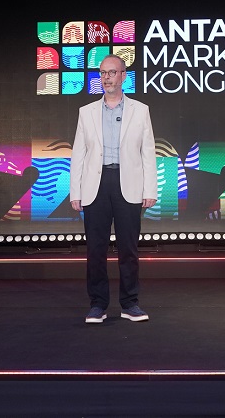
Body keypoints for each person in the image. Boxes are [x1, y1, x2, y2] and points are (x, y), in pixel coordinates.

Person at [70, 54, 157, 324]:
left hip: (128, 182)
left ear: (123, 76)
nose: (106, 78)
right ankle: (98, 305)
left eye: (112, 72)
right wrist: (76, 192)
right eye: (103, 73)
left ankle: (130, 304)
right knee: (95, 249)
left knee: (128, 248)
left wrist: (150, 189)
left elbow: (148, 152)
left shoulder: (140, 110)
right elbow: (78, 154)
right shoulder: (86, 112)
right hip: (95, 184)